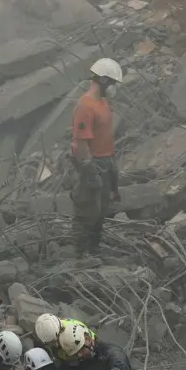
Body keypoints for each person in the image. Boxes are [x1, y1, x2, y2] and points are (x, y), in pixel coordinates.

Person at [70, 59, 123, 259]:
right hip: (92, 163)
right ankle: (78, 255)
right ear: (102, 80)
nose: (115, 88)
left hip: (106, 161)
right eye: (113, 83)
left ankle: (94, 251)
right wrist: (89, 170)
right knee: (87, 211)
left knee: (101, 210)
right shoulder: (85, 106)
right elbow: (81, 142)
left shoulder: (102, 102)